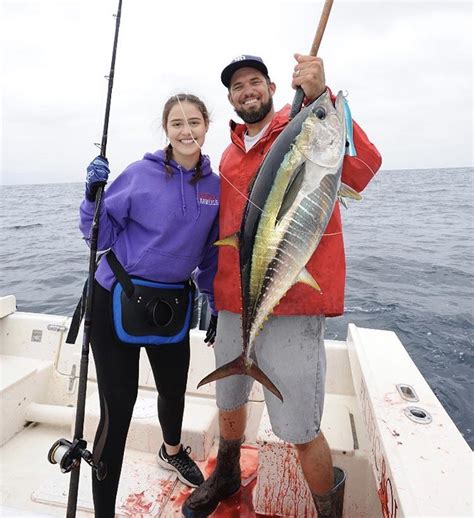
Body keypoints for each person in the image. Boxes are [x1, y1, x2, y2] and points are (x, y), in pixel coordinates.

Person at [182, 55, 382, 518]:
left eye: (255, 82)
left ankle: (328, 512)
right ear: (230, 99)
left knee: (298, 425)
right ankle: (227, 473)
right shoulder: (229, 156)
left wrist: (320, 97)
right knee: (229, 397)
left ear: (272, 87)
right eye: (237, 87)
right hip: (232, 303)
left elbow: (362, 169)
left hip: (294, 302)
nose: (247, 91)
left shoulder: (302, 132)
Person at [80, 93, 220, 517]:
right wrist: (92, 196)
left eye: (193, 121)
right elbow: (98, 236)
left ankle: (171, 450)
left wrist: (212, 296)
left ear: (206, 125)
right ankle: (104, 511)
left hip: (171, 308)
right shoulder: (139, 174)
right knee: (117, 410)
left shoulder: (215, 186)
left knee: (174, 390)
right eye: (176, 123)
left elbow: (213, 251)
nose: (186, 130)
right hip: (114, 298)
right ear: (166, 130)